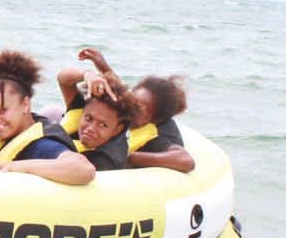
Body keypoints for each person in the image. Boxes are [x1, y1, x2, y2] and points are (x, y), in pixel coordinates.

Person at [0, 50, 95, 185]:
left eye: (2, 110)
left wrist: (15, 167)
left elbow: (84, 169)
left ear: (25, 104)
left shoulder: (41, 146)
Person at [57, 48, 195, 172]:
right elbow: (117, 91)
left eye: (139, 108)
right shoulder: (109, 108)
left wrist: (131, 158)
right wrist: (95, 71)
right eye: (132, 99)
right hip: (66, 142)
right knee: (53, 112)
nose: (131, 106)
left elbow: (186, 161)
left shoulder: (156, 136)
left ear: (152, 120)